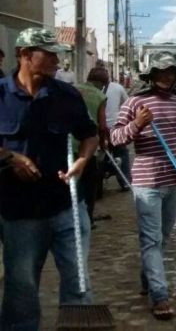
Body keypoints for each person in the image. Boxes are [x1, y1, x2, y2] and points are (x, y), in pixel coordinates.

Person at [0, 28, 99, 330]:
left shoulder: (65, 95)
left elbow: (90, 135)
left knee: (78, 282)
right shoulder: (1, 95)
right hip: (20, 214)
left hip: (66, 206)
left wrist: (82, 161)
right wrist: (9, 157)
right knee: (22, 289)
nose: (59, 59)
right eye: (51, 53)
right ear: (26, 55)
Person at [110, 53, 176, 321]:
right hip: (146, 183)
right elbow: (115, 139)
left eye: (171, 72)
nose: (167, 76)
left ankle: (148, 277)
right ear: (151, 74)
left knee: (163, 238)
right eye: (161, 72)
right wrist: (137, 124)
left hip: (173, 182)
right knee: (151, 239)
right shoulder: (136, 102)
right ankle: (160, 296)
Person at [74, 67, 110, 224]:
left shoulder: (73, 89)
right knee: (89, 185)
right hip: (88, 146)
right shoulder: (100, 96)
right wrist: (103, 144)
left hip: (68, 145)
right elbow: (102, 126)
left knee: (71, 183)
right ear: (103, 84)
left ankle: (72, 216)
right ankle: (87, 218)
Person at [103, 72, 131, 190]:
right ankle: (124, 182)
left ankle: (106, 172)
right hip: (115, 127)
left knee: (100, 156)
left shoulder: (91, 90)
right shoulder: (118, 88)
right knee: (122, 153)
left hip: (99, 127)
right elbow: (128, 103)